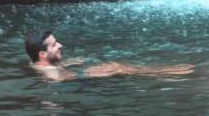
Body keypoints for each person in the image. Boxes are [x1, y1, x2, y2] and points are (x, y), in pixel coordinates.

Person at [24, 28, 193, 80]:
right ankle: (166, 72)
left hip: (74, 78)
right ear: (43, 55)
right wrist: (95, 72)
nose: (60, 45)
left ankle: (162, 71)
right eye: (54, 45)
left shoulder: (35, 62)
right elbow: (63, 79)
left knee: (115, 65)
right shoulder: (51, 73)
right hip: (81, 85)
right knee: (117, 67)